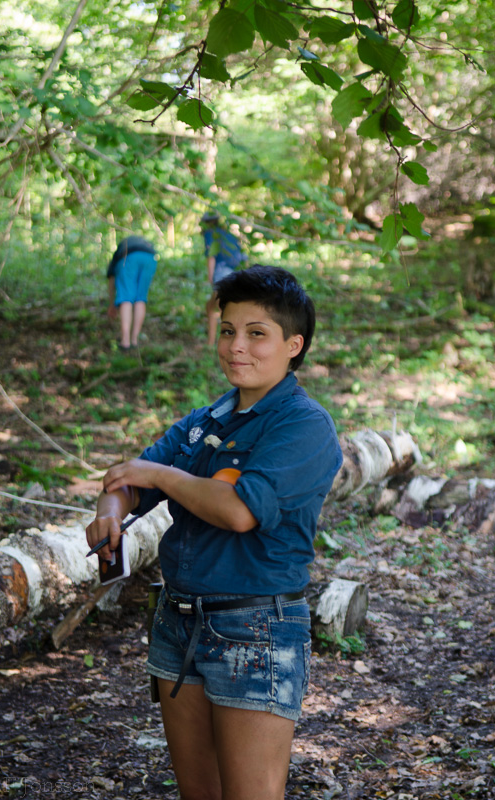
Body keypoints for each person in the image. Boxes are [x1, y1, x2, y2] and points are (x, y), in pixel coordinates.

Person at [86, 264, 343, 800]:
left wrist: (158, 476)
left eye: (257, 334)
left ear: (293, 345)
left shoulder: (303, 425)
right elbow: (127, 479)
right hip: (179, 623)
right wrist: (111, 511)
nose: (236, 347)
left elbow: (240, 511)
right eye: (228, 330)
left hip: (255, 629)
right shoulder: (206, 420)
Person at [201, 210, 247, 345]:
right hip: (238, 274)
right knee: (212, 307)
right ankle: (211, 343)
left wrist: (210, 278)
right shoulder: (230, 235)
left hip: (222, 274)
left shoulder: (211, 234)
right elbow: (244, 257)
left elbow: (211, 256)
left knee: (221, 310)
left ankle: (226, 343)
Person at [106, 235, 157, 350]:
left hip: (129, 257)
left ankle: (125, 342)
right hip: (150, 257)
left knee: (126, 297)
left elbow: (111, 280)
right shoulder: (142, 243)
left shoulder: (118, 255)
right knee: (140, 298)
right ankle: (134, 340)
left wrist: (111, 305)